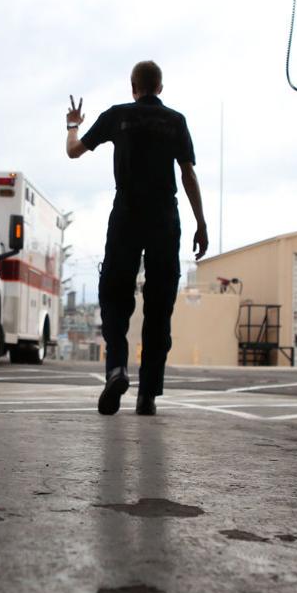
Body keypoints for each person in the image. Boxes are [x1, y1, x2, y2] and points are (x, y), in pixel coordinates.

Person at [65, 60, 209, 416]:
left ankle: (116, 369)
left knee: (114, 295)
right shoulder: (175, 121)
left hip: (127, 213)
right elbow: (188, 174)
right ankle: (148, 395)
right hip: (164, 217)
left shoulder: (117, 116)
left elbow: (73, 151)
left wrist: (72, 125)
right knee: (159, 306)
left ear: (134, 86)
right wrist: (201, 223)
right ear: (160, 87)